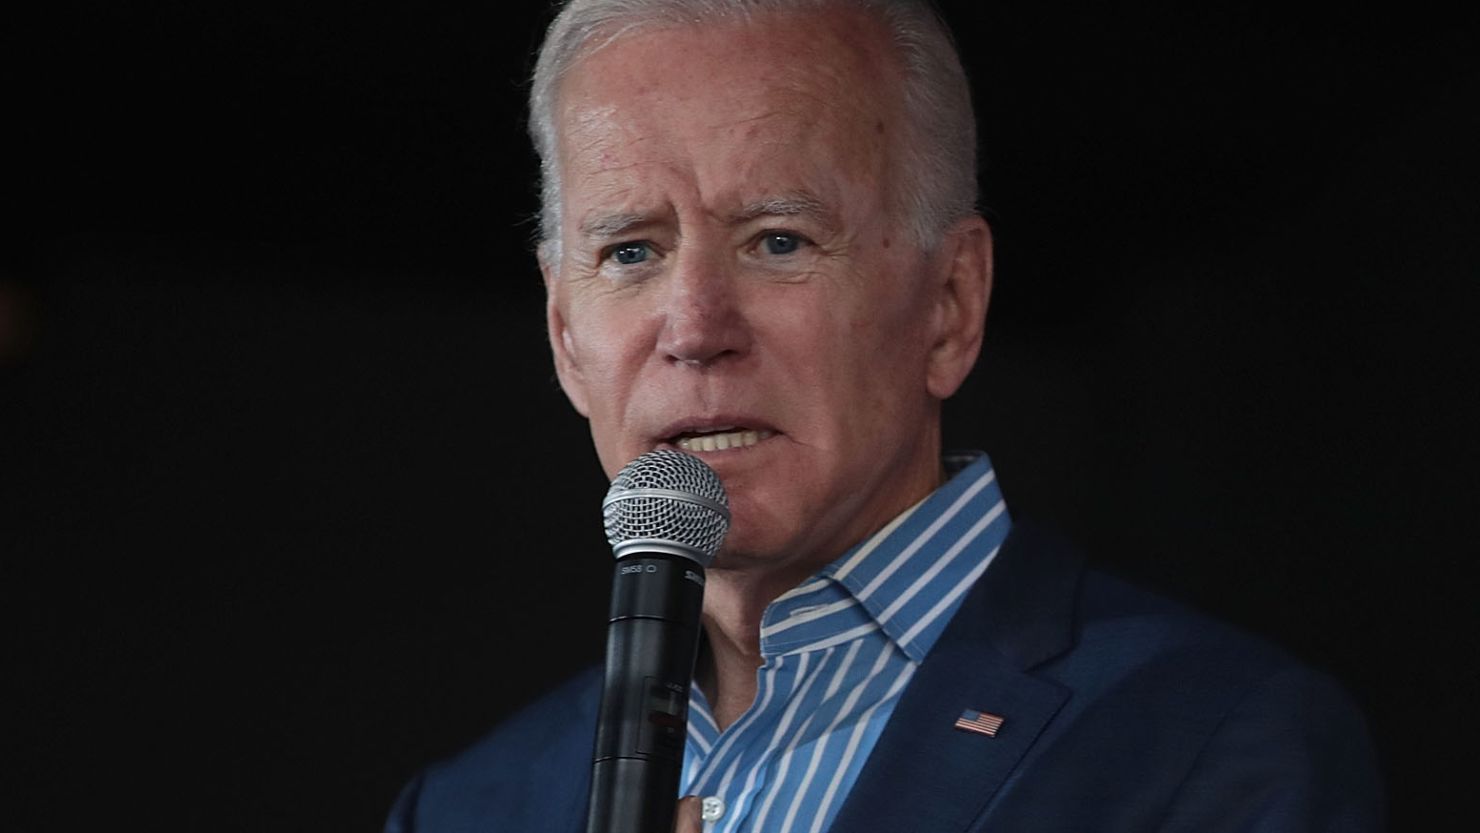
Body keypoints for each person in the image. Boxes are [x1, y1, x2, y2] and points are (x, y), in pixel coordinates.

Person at [386, 1, 1384, 830]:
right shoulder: (469, 806)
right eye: (632, 251)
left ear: (951, 303)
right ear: (566, 338)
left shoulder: (1211, 739)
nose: (695, 327)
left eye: (778, 240)